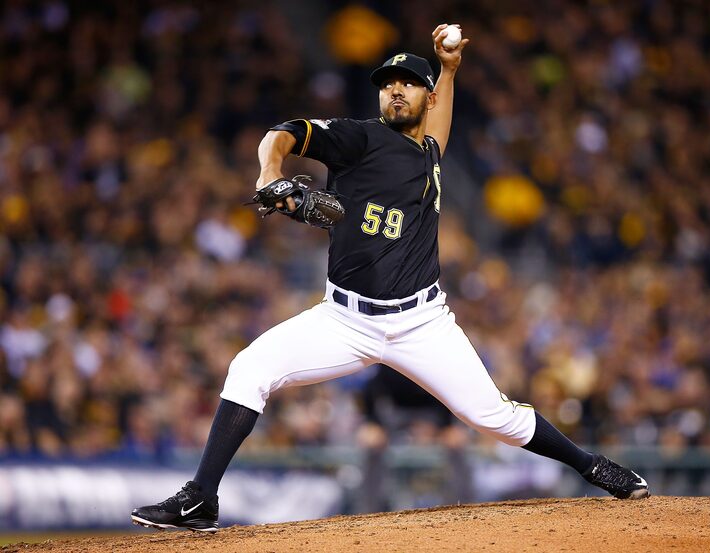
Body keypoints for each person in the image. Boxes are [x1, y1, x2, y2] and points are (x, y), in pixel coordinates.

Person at [131, 24, 649, 533]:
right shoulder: (360, 138)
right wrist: (269, 172)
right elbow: (283, 132)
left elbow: (440, 116)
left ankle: (593, 467)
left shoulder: (430, 151)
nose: (395, 89)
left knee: (497, 419)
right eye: (387, 82)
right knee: (250, 367)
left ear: (425, 98)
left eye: (407, 83)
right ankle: (200, 499)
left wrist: (448, 69)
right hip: (343, 319)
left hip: (423, 322)